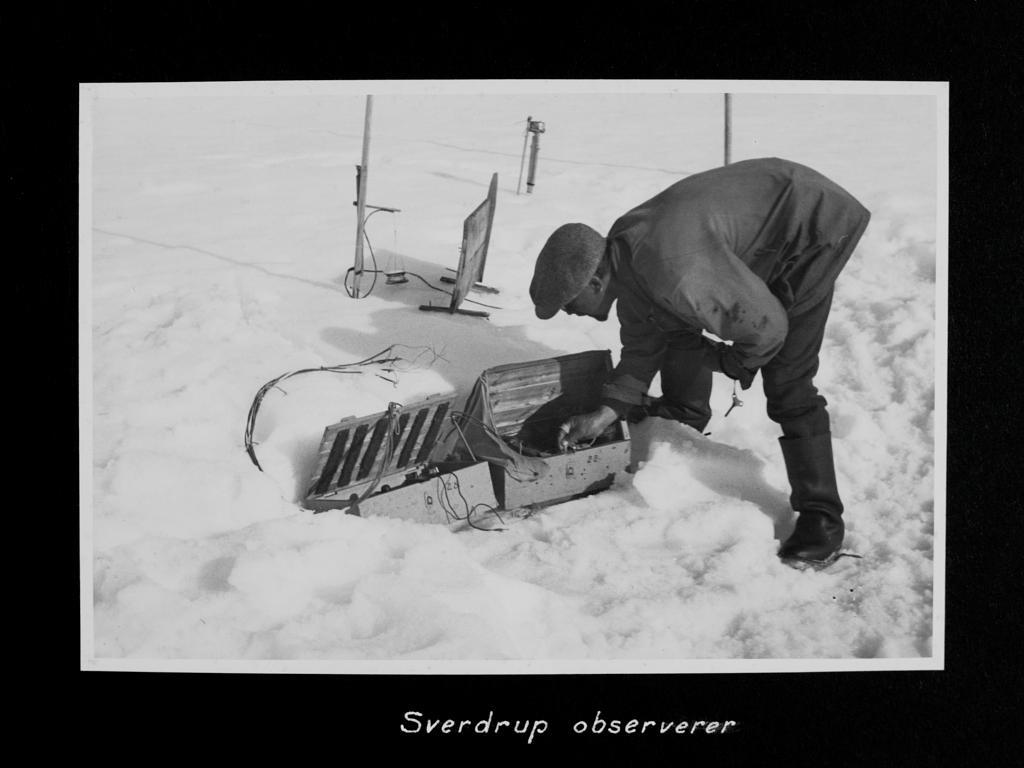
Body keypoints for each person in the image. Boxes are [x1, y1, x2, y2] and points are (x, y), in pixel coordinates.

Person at [529, 157, 870, 566]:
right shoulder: (627, 260)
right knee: (670, 326)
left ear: (595, 282)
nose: (570, 313)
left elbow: (768, 329)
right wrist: (605, 413)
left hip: (812, 224)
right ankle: (682, 415)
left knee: (787, 381)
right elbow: (642, 345)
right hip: (772, 219)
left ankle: (823, 519)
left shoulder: (675, 268)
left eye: (568, 304)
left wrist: (733, 363)